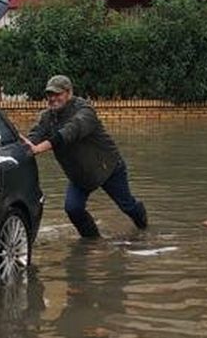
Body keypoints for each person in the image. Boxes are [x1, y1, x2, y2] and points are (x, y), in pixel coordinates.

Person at [23, 75, 147, 239]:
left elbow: (71, 131)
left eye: (57, 94)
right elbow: (35, 134)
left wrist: (40, 148)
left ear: (69, 93)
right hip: (80, 175)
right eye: (50, 95)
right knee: (73, 209)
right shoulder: (47, 117)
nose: (53, 98)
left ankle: (144, 229)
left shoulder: (85, 111)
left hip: (107, 168)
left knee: (128, 206)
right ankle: (92, 241)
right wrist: (26, 145)